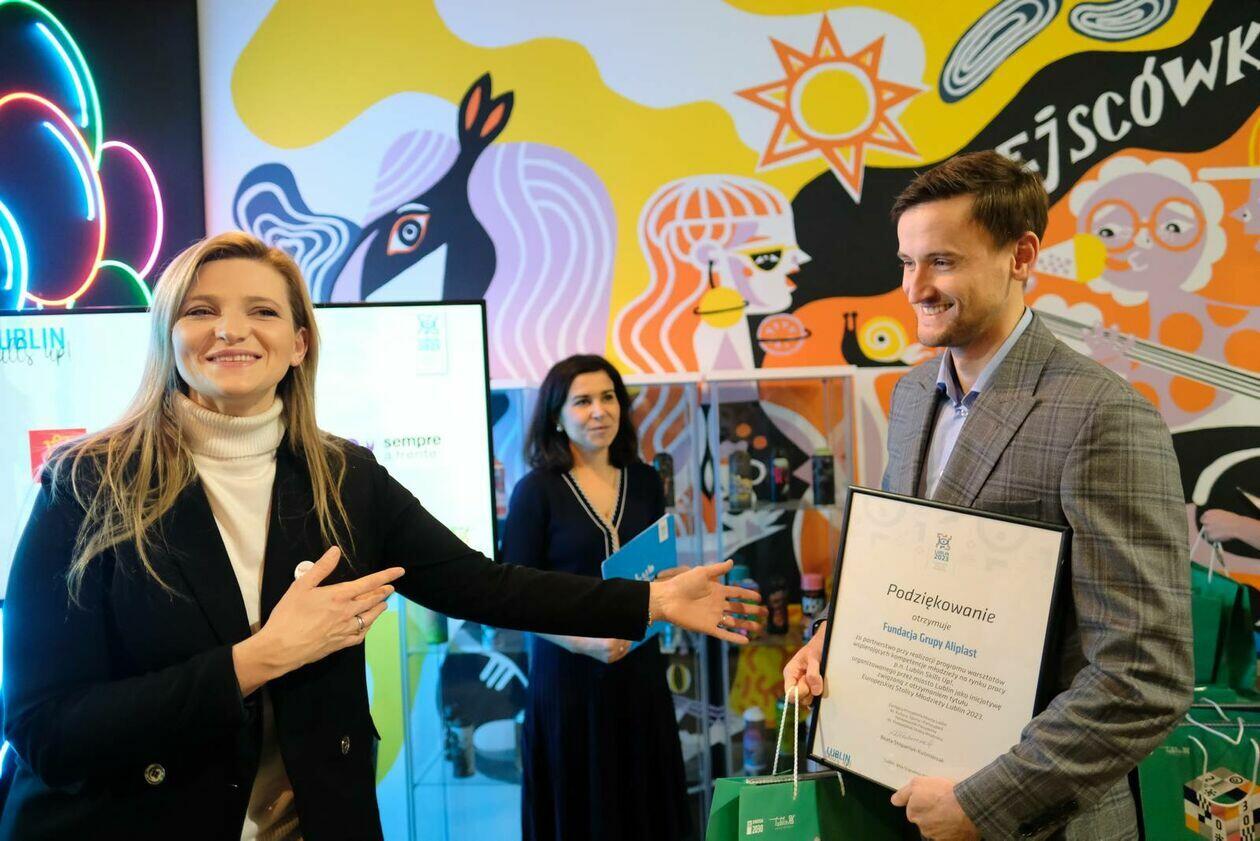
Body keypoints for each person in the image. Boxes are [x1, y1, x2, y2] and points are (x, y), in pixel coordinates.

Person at [0, 232, 765, 841]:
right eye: (201, 309)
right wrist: (258, 659)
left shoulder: (344, 477)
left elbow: (484, 584)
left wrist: (649, 601)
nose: (231, 328)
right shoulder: (86, 485)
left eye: (262, 311)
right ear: (167, 333)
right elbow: (44, 728)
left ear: (300, 343)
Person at [783, 151, 1193, 840]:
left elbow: (1143, 676)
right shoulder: (912, 393)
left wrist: (985, 801)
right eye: (906, 262)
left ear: (1021, 256)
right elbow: (904, 567)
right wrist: (834, 636)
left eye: (941, 261)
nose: (915, 288)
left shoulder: (1103, 415)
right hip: (911, 789)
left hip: (1042, 821)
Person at [503, 354, 691, 841]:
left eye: (608, 397)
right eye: (582, 401)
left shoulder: (645, 481)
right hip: (568, 681)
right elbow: (510, 600)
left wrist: (673, 586)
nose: (599, 411)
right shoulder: (535, 492)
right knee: (579, 811)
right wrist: (583, 643)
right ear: (556, 416)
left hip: (640, 674)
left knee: (646, 805)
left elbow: (656, 572)